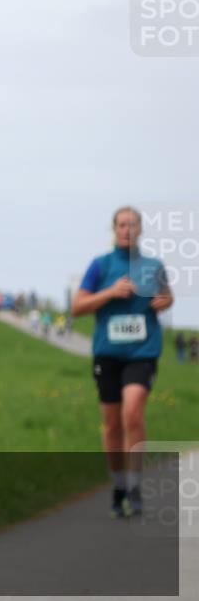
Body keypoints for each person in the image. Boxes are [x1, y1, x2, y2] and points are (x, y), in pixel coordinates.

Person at [71, 206, 173, 518]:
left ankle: (134, 483)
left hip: (142, 352)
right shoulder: (100, 266)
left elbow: (167, 295)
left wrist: (163, 301)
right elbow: (77, 307)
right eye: (121, 225)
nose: (127, 230)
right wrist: (111, 292)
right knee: (113, 423)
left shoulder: (152, 265)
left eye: (132, 224)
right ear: (113, 229)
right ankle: (117, 484)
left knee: (132, 412)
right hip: (108, 353)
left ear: (140, 229)